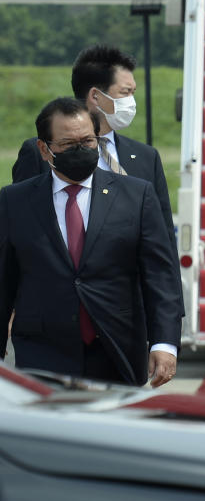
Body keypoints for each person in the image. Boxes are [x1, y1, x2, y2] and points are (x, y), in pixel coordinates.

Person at [0, 98, 182, 387]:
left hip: (117, 347)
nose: (81, 149)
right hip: (42, 353)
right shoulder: (14, 201)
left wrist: (164, 343)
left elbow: (160, 275)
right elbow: (4, 281)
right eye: (68, 144)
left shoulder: (136, 196)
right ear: (44, 149)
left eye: (87, 141)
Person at [12, 45, 177, 255]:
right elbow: (19, 229)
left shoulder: (146, 157)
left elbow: (164, 241)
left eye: (133, 93)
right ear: (95, 96)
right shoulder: (40, 153)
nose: (131, 102)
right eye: (125, 93)